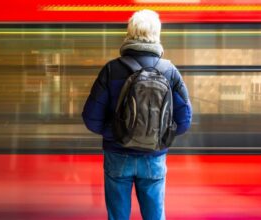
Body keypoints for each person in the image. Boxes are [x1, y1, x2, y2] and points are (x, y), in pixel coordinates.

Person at [82, 10, 192, 220]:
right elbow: (184, 120)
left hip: (117, 155)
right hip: (154, 157)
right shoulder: (169, 71)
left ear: (129, 34)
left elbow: (91, 118)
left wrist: (118, 133)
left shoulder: (111, 70)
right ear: (157, 34)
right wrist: (159, 137)